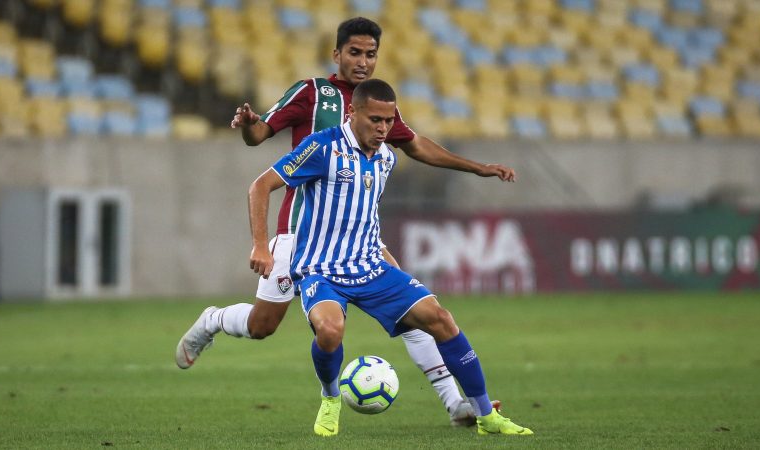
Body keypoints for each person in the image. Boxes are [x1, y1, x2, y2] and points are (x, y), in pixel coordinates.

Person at [175, 17, 516, 427]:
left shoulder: (379, 106)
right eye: (355, 52)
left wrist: (476, 168)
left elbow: (416, 145)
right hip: (300, 232)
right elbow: (261, 133)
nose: (363, 61)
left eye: (370, 54)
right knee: (263, 324)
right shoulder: (311, 93)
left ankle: (455, 404)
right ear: (337, 54)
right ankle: (213, 320)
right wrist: (250, 126)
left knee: (418, 313)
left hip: (357, 237)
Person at [248, 79, 533, 437]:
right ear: (353, 113)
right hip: (320, 268)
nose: (383, 129)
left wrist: (386, 260)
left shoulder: (385, 158)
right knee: (330, 330)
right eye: (375, 120)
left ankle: (484, 414)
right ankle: (331, 397)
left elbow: (362, 212)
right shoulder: (322, 147)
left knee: (440, 318)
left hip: (369, 266)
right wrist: (260, 244)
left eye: (388, 121)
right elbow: (261, 185)